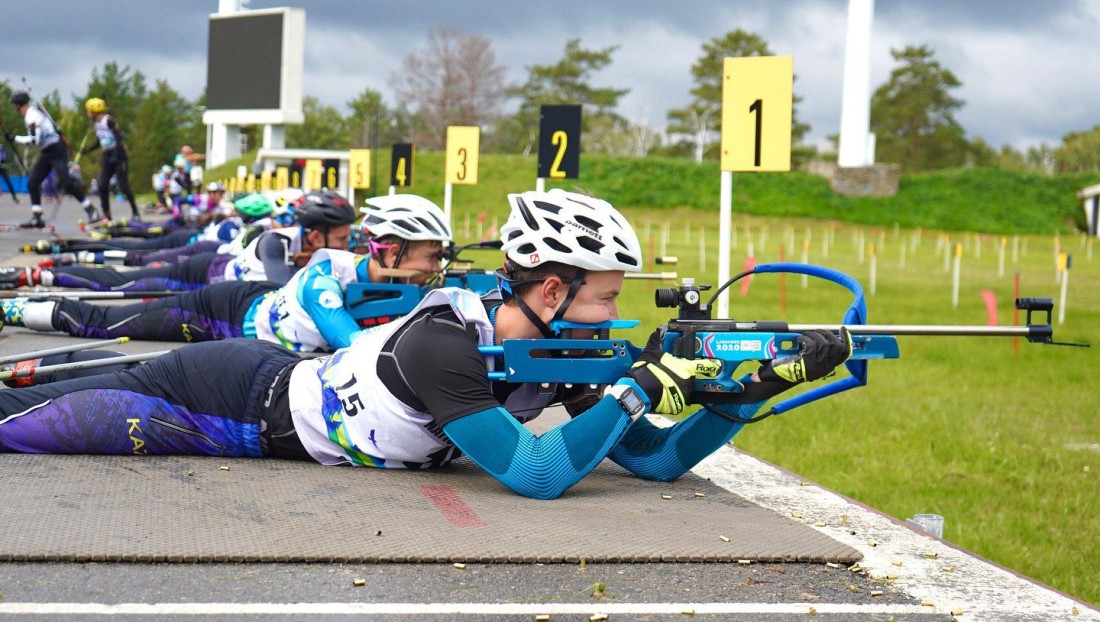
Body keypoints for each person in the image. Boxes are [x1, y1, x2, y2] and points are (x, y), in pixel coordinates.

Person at [0, 189, 852, 500]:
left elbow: (656, 462)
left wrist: (739, 393)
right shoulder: (446, 338)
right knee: (21, 421)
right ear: (551, 291)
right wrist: (645, 382)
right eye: (605, 297)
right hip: (228, 402)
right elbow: (536, 475)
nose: (614, 317)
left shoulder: (562, 357)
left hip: (266, 391)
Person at [0, 194, 451, 351]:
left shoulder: (380, 283)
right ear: (392, 250)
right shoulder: (320, 270)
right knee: (112, 313)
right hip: (222, 303)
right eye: (431, 257)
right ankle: (17, 303)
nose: (436, 270)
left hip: (248, 327)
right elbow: (353, 344)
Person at [0, 190, 357, 292]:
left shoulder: (293, 240)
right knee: (129, 269)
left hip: (215, 279)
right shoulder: (275, 239)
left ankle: (61, 263)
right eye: (341, 239)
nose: (344, 246)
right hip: (202, 267)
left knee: (135, 259)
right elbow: (281, 286)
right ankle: (60, 262)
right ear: (315, 234)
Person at [6, 90, 96, 228]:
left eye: (14, 104)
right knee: (32, 183)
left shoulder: (31, 115)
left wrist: (15, 138)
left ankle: (91, 209)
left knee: (66, 183)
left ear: (17, 104)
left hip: (56, 150)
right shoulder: (33, 113)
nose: (13, 107)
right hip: (46, 151)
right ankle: (37, 217)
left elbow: (34, 140)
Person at [80, 98, 139, 223]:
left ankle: (136, 213)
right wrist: (88, 149)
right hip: (107, 155)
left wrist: (116, 155)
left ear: (94, 111)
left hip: (118, 154)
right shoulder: (96, 124)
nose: (88, 114)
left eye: (89, 111)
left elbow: (119, 138)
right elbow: (100, 141)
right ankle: (107, 215)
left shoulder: (109, 120)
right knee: (102, 185)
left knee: (123, 185)